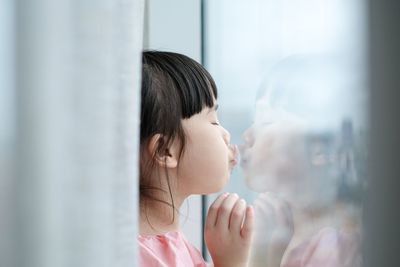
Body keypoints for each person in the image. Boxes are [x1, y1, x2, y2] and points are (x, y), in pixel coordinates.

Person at [239, 55, 363, 267]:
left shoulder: (336, 250)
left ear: (320, 147)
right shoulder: (284, 234)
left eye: (266, 123)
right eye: (254, 121)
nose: (248, 135)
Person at [138, 51, 254, 267]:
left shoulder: (168, 243)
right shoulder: (144, 257)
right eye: (212, 121)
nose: (226, 135)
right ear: (164, 150)